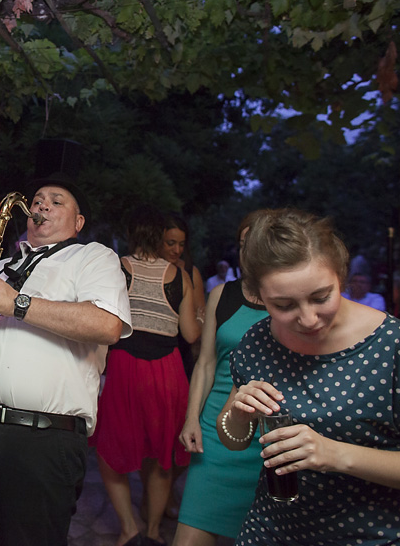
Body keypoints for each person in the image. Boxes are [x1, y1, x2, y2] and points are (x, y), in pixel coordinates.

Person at [0, 175, 132, 546]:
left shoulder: (92, 257)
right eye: (37, 199)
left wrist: (17, 302)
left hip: (42, 440)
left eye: (57, 201)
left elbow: (108, 325)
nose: (42, 205)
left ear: (78, 223)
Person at [218, 208, 400, 545]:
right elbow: (234, 439)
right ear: (260, 297)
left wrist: (334, 454)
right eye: (284, 305)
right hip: (273, 531)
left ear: (341, 278)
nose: (308, 318)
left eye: (321, 297)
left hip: (372, 536)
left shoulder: (398, 348)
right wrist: (239, 413)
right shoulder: (258, 341)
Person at [92, 207, 201, 546]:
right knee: (161, 454)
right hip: (167, 370)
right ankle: (153, 532)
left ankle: (129, 528)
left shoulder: (118, 268)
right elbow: (191, 335)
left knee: (109, 449)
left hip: (125, 366)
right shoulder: (179, 276)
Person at [173, 211, 270, 546]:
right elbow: (206, 364)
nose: (246, 252)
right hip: (215, 434)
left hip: (267, 440)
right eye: (242, 244)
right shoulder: (222, 295)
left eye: (253, 244)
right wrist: (191, 419)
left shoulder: (289, 302)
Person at [161, 213, 205, 379]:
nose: (177, 250)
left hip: (181, 351)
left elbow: (201, 314)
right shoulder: (147, 272)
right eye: (170, 243)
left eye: (181, 244)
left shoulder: (190, 273)